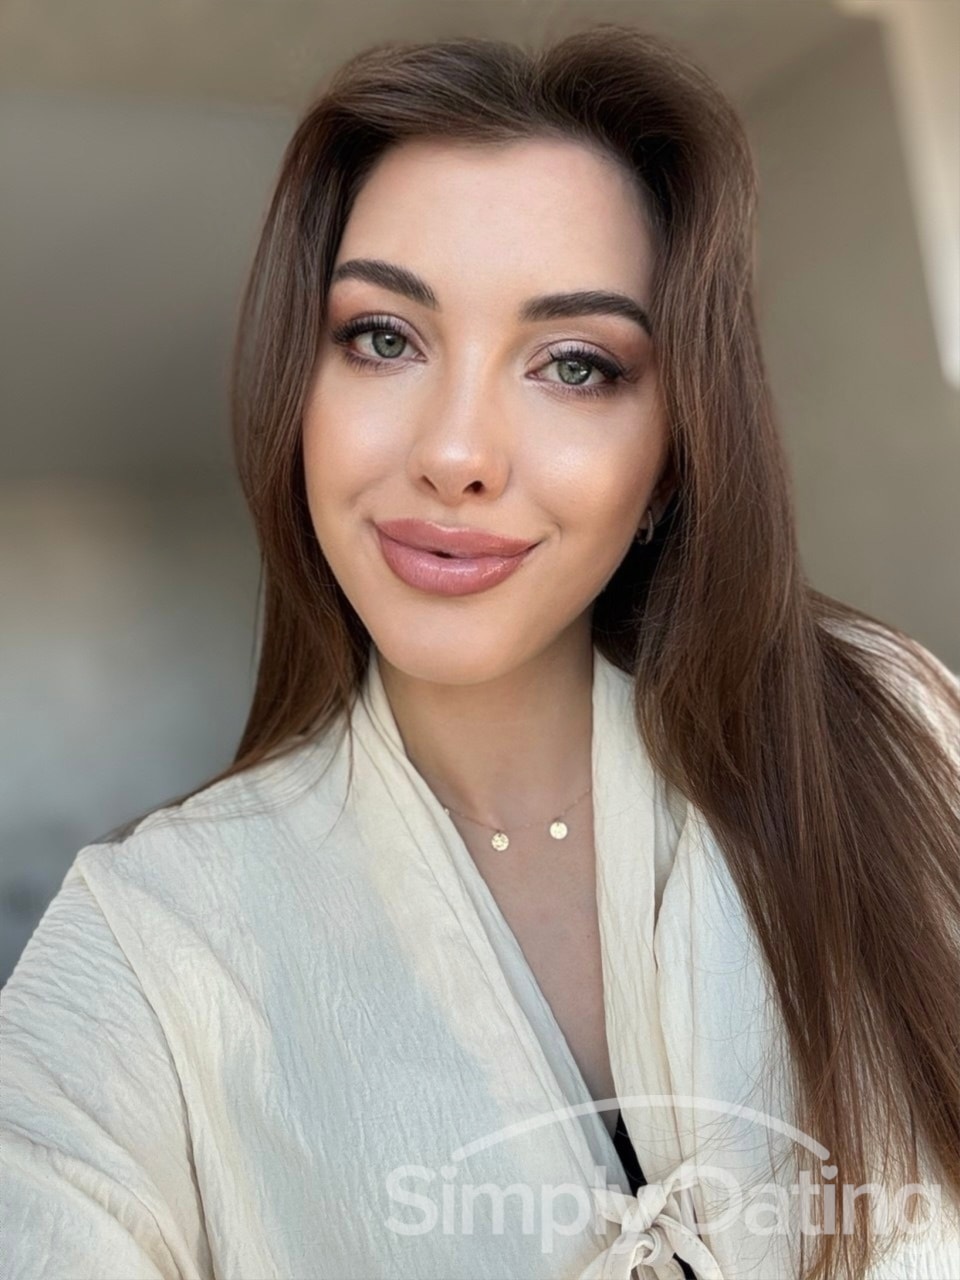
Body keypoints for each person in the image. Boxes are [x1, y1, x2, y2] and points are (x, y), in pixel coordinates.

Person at [2, 24, 959, 1280]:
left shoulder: (890, 727)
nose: (456, 452)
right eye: (384, 338)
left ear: (676, 451)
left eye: (576, 364)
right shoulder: (148, 941)